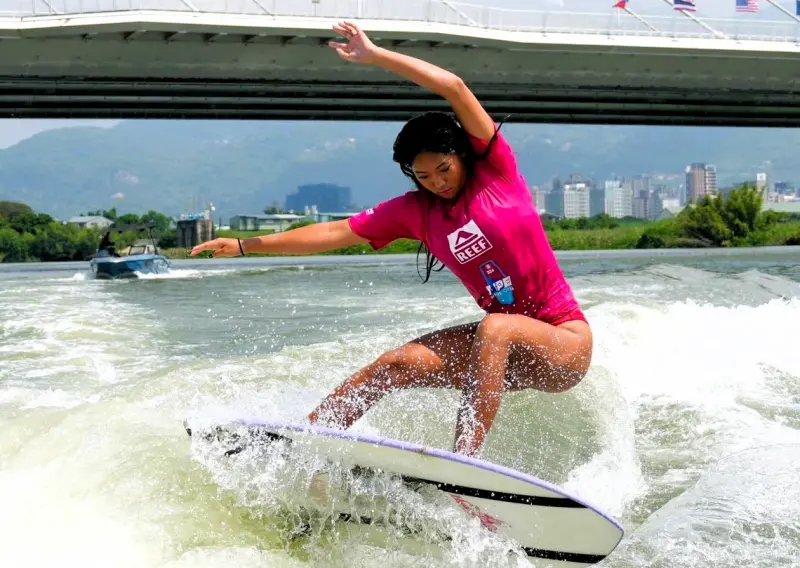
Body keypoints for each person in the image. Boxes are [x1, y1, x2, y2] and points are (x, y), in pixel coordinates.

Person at [190, 21, 593, 458]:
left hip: (563, 344)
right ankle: (304, 446)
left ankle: (463, 464)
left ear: (461, 155)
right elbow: (334, 231)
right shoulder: (416, 212)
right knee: (393, 365)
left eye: (444, 168)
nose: (437, 182)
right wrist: (247, 245)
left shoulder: (497, 172)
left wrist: (376, 55)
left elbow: (455, 88)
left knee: (494, 327)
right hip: (497, 353)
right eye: (423, 176)